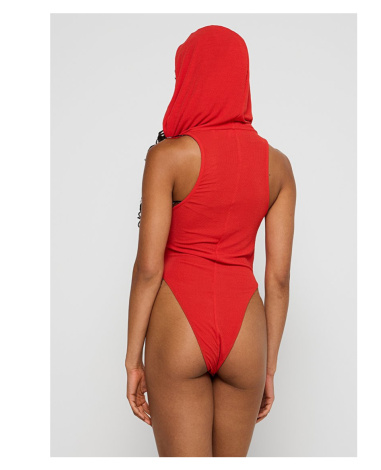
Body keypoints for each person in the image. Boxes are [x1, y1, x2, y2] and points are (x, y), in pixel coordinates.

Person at [125, 25, 296, 457]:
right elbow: (278, 279)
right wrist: (269, 368)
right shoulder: (278, 167)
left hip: (179, 322)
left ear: (191, 77)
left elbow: (148, 269)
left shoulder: (168, 157)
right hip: (246, 334)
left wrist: (132, 359)